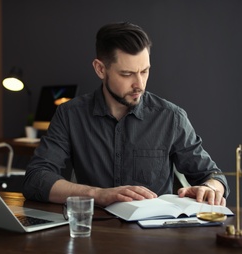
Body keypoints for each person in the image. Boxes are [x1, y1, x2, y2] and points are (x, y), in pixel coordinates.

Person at [22, 22, 229, 207]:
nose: (139, 84)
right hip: (94, 233)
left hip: (155, 240)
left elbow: (213, 175)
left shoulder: (171, 117)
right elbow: (36, 179)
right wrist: (98, 194)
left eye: (145, 71)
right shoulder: (70, 115)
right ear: (100, 69)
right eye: (127, 74)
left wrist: (211, 188)